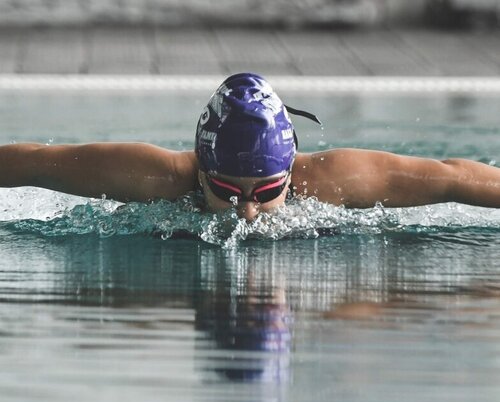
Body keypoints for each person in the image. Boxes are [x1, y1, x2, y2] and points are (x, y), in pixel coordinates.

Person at [2, 72, 500, 222]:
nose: (247, 213)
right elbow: (32, 163)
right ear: (200, 169)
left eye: (265, 192)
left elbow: (454, 177)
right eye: (225, 189)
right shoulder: (154, 176)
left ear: (289, 172)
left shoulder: (330, 181)